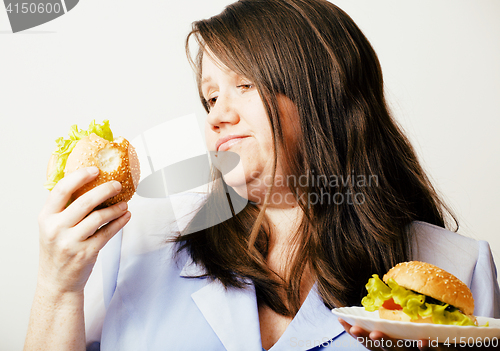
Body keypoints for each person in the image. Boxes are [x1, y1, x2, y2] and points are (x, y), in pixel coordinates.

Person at [24, 0, 500, 350]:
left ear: (325, 95)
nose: (215, 116)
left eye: (244, 86)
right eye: (210, 98)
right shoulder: (140, 239)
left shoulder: (455, 268)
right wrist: (57, 286)